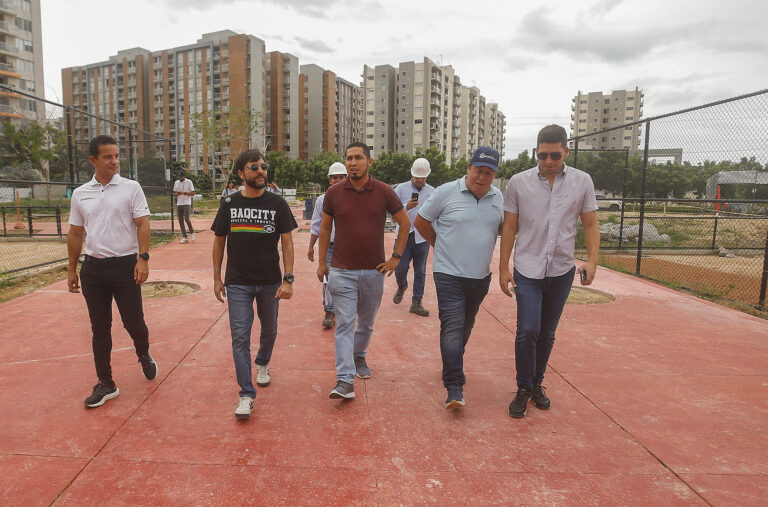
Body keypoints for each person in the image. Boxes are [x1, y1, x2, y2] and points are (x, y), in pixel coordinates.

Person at [499, 124, 600, 418]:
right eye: (542, 155)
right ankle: (522, 387)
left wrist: (592, 262)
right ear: (536, 152)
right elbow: (510, 226)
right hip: (527, 269)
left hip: (561, 270)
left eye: (555, 155)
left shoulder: (582, 182)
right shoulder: (519, 182)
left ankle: (536, 384)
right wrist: (504, 267)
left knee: (547, 332)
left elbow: (591, 224)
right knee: (527, 330)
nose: (548, 162)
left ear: (566, 151)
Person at [67, 135, 158, 408]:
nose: (114, 161)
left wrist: (143, 259)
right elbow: (75, 233)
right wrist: (72, 270)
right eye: (108, 157)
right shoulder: (81, 193)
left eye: (117, 156)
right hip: (93, 269)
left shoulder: (131, 188)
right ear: (93, 160)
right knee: (99, 327)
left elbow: (143, 224)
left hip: (125, 266)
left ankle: (143, 352)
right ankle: (106, 383)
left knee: (134, 324)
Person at [316, 142, 410, 400]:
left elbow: (405, 222)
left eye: (358, 158)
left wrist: (396, 257)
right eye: (349, 158)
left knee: (366, 324)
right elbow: (325, 228)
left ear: (369, 161)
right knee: (345, 323)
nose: (353, 162)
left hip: (373, 271)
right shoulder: (334, 193)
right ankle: (344, 380)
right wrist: (323, 263)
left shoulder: (383, 191)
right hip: (342, 270)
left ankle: (359, 356)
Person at [415, 147, 503, 409]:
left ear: (495, 175)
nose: (482, 177)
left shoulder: (498, 197)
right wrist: (438, 246)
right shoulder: (446, 192)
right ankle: (454, 386)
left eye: (489, 173)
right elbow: (421, 220)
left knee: (465, 327)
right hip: (448, 274)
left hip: (479, 276)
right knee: (452, 327)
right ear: (468, 168)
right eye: (478, 171)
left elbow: (503, 228)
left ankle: (451, 362)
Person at [212, 149, 297, 419]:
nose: (261, 170)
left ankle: (262, 362)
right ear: (241, 173)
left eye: (263, 166)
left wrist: (288, 278)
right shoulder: (229, 204)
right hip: (238, 283)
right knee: (239, 338)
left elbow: (287, 242)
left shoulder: (278, 204)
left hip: (270, 282)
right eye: (254, 167)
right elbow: (219, 241)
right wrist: (216, 277)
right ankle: (246, 394)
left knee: (269, 330)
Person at [392, 158, 435, 317]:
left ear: (427, 176)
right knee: (400, 268)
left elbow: (435, 216)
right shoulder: (401, 189)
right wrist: (406, 207)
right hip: (404, 235)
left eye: (422, 177)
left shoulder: (432, 191)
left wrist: (435, 238)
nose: (419, 180)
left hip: (422, 237)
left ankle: (417, 302)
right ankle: (402, 285)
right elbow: (393, 212)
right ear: (412, 174)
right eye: (417, 177)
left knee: (420, 271)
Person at [307, 162, 347, 329]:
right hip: (330, 247)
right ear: (329, 180)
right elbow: (317, 225)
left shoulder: (354, 198)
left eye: (341, 177)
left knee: (350, 280)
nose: (337, 180)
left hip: (350, 247)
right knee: (328, 279)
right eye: (334, 177)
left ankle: (346, 311)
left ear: (346, 178)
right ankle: (330, 311)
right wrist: (311, 246)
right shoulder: (322, 201)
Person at [173, 170, 196, 243]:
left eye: (181, 177)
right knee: (180, 220)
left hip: (186, 202)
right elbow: (175, 193)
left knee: (186, 218)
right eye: (179, 177)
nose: (180, 178)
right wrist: (178, 194)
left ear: (184, 176)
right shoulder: (176, 182)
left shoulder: (189, 182)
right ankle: (184, 236)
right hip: (179, 203)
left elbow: (192, 193)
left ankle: (192, 232)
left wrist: (184, 193)